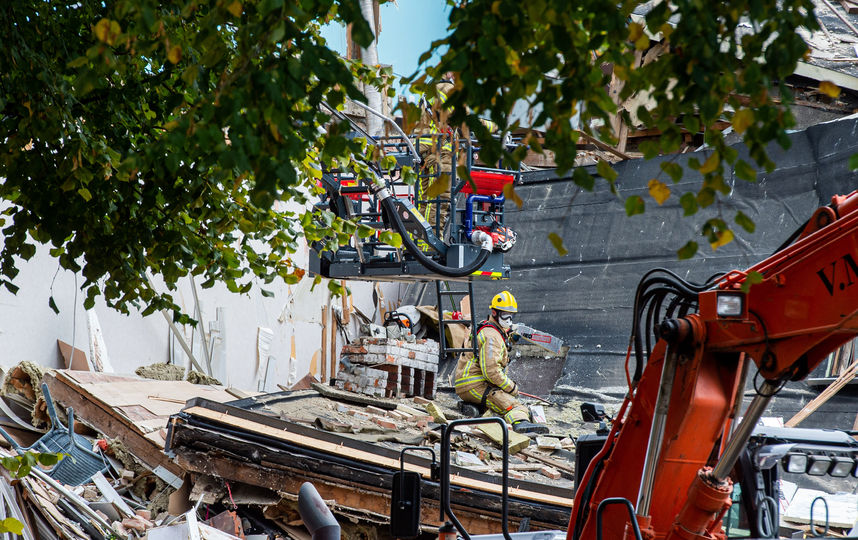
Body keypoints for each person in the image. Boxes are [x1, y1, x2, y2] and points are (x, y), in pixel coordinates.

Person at [453, 291, 548, 434]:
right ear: (494, 312)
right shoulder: (492, 336)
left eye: (512, 315)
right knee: (515, 406)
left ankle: (474, 408)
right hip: (476, 385)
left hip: (468, 384)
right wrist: (511, 388)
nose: (509, 318)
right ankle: (521, 425)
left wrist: (511, 339)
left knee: (494, 405)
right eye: (505, 314)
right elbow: (491, 371)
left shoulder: (490, 329)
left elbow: (494, 350)